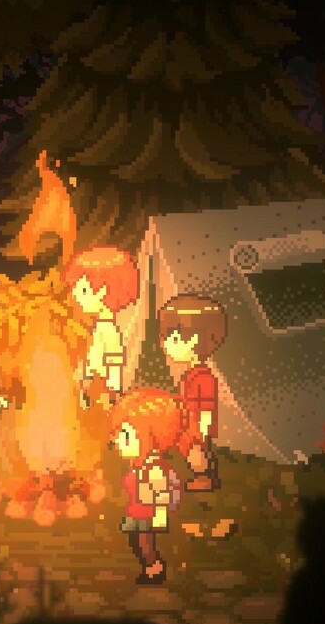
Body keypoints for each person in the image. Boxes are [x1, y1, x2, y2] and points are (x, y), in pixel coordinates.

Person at [109, 387, 183, 585]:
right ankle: (149, 566)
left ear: (149, 435)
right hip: (136, 512)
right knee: (136, 542)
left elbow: (161, 493)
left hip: (146, 514)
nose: (118, 443)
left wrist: (160, 515)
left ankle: (154, 568)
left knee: (144, 543)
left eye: (125, 436)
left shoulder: (153, 468)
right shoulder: (138, 465)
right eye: (117, 436)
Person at [158, 293, 227, 492]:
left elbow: (206, 406)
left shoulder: (203, 377)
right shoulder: (191, 374)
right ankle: (202, 475)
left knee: (197, 453)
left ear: (195, 339)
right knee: (189, 451)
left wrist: (202, 430)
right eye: (165, 338)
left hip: (196, 426)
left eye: (173, 339)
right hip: (188, 424)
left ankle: (205, 477)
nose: (166, 345)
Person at [62, 245, 139, 410]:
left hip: (101, 390)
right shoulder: (99, 327)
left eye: (83, 290)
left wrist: (112, 390)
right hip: (94, 385)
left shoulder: (109, 330)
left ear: (103, 290)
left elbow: (113, 361)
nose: (75, 296)